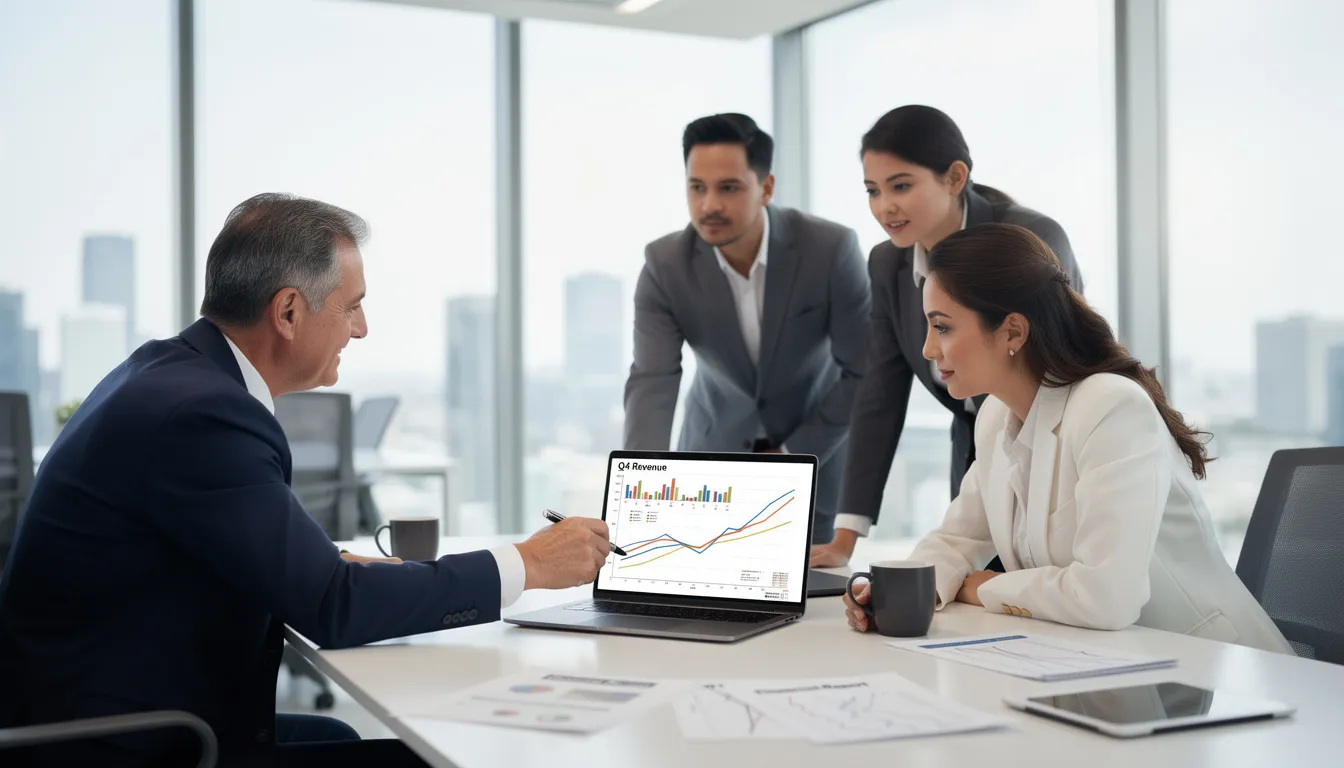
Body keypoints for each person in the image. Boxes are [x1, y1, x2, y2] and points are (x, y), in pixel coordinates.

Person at [0, 194, 612, 767]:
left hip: (104, 709)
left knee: (340, 736)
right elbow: (331, 606)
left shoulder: (168, 371)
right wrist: (527, 563)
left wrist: (331, 564)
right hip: (121, 742)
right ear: (289, 311)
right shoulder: (204, 415)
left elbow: (254, 556)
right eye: (352, 306)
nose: (362, 328)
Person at [843, 223, 1291, 654]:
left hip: (1208, 671)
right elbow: (956, 540)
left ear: (1013, 331)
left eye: (942, 326)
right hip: (1100, 663)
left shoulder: (1111, 407)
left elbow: (1107, 595)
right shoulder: (996, 416)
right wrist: (893, 594)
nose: (927, 349)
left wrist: (985, 588)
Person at [812, 105, 1086, 567]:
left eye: (901, 186)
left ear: (955, 177)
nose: (885, 207)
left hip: (1055, 448)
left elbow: (1054, 365)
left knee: (1043, 595)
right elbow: (880, 392)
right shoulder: (887, 263)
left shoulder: (1025, 238)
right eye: (872, 191)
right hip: (976, 453)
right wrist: (845, 538)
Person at [624, 113, 870, 543]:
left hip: (815, 461)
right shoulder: (665, 265)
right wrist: (636, 498)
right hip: (708, 468)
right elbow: (652, 382)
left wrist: (793, 456)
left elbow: (863, 371)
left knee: (812, 605)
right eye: (696, 187)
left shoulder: (829, 250)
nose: (709, 205)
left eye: (729, 188)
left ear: (766, 188)